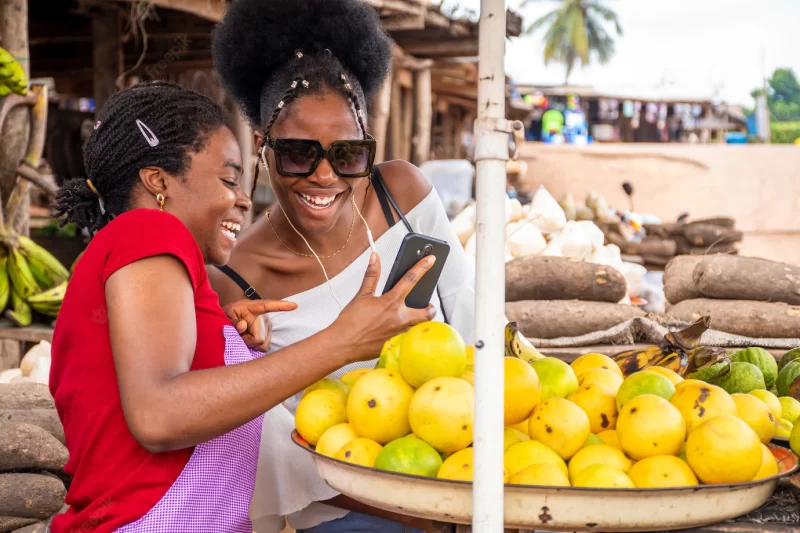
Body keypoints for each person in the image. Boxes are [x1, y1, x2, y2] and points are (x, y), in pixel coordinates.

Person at [48, 81, 437, 533]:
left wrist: (219, 340)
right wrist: (341, 342)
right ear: (158, 182)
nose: (245, 198)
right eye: (229, 179)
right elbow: (158, 415)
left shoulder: (148, 257)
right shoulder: (150, 231)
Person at [209, 1, 477, 532]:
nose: (325, 177)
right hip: (343, 511)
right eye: (298, 154)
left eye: (349, 155)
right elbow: (275, 451)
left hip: (460, 471)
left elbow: (472, 326)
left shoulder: (403, 195)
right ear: (262, 146)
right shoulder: (234, 277)